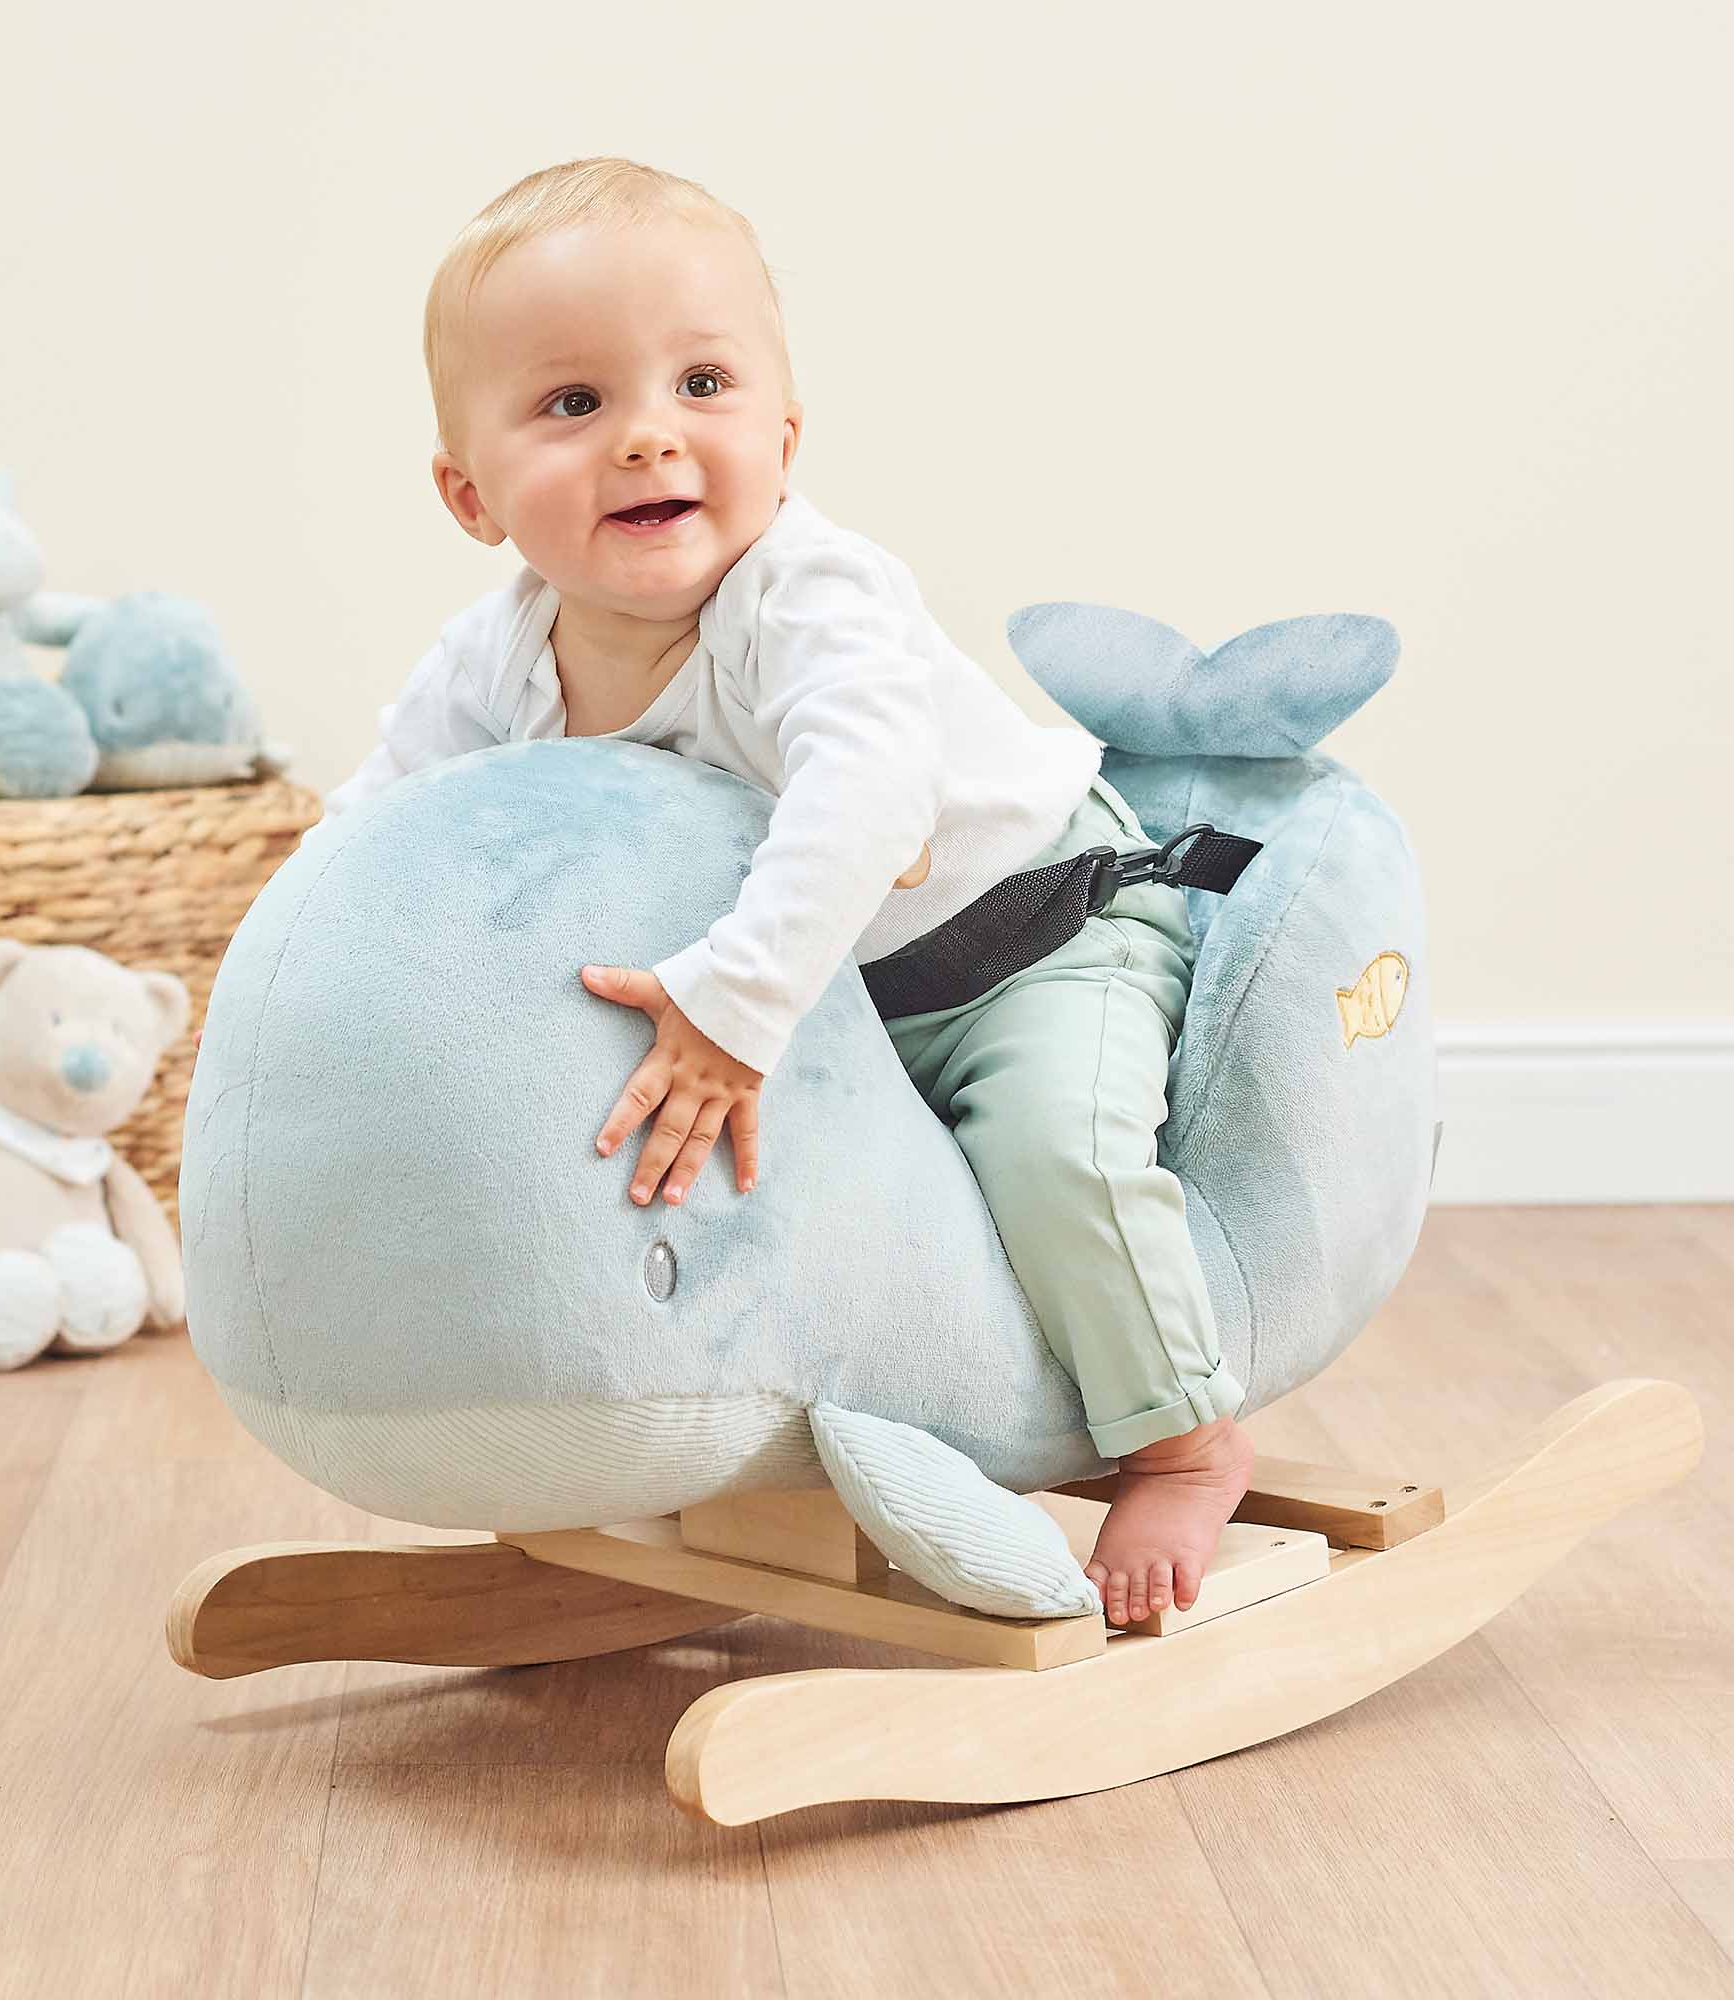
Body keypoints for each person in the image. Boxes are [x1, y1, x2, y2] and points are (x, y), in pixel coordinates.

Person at [315, 155, 1253, 1627]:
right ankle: (693, 1439)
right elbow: (376, 835)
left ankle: (1183, 1437)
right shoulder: (493, 659)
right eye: (574, 405)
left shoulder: (813, 596)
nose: (646, 438)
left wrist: (738, 1001)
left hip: (1035, 936)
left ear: (784, 433)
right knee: (695, 1177)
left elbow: (865, 795)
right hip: (840, 998)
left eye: (702, 384)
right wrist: (297, 989)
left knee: (1054, 1155)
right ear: (467, 493)